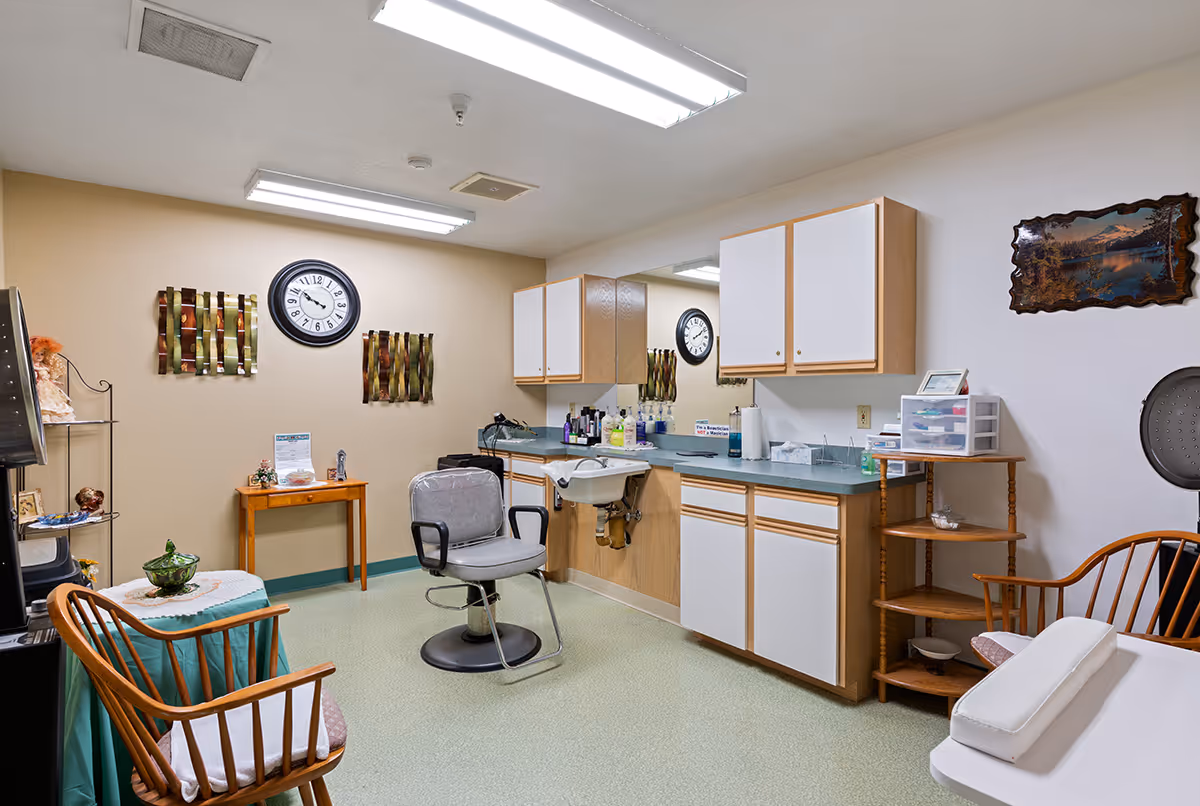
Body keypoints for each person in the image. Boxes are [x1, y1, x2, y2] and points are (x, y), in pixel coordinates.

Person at [30, 336, 75, 422]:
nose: (39, 356)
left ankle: (48, 418)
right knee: (41, 404)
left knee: (52, 404)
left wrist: (54, 382)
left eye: (41, 354)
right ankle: (43, 418)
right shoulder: (32, 367)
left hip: (47, 389)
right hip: (39, 388)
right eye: (37, 354)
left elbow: (46, 379)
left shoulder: (44, 367)